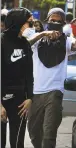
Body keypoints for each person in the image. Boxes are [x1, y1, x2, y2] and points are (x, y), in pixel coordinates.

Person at [26, 8, 76, 148]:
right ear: (47, 21)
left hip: (55, 91)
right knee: (34, 134)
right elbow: (24, 44)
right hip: (34, 93)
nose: (55, 23)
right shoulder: (37, 37)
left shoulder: (66, 40)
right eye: (52, 20)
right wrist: (43, 34)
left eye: (59, 21)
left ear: (63, 23)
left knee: (49, 134)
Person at [1, 8, 34, 148]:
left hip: (21, 100)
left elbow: (29, 74)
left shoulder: (25, 44)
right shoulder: (2, 42)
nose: (31, 27)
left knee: (17, 143)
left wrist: (30, 98)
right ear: (18, 22)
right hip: (2, 97)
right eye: (29, 23)